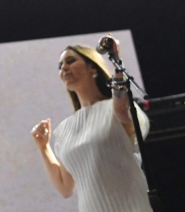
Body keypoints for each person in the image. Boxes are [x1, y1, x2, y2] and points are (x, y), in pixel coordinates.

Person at [30, 36, 152, 212]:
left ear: (92, 68)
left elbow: (121, 111)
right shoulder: (65, 129)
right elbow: (65, 187)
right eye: (60, 66)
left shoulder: (115, 108)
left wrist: (117, 64)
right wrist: (43, 147)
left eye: (70, 61)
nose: (64, 67)